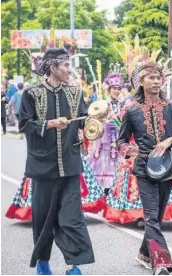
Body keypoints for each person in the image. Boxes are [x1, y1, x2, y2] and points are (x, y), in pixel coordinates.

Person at [117, 59, 172, 275]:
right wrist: (130, 150)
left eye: (157, 77)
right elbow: (121, 140)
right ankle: (160, 262)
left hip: (169, 167)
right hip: (144, 168)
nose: (155, 81)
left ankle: (144, 253)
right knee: (151, 216)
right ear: (141, 82)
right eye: (150, 78)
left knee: (158, 216)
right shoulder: (132, 109)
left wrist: (171, 140)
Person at [19, 48, 94, 275]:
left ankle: (73, 265)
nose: (70, 71)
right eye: (66, 66)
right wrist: (50, 124)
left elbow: (83, 121)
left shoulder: (75, 92)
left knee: (72, 218)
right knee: (42, 219)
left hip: (70, 166)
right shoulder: (31, 94)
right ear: (53, 67)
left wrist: (90, 129)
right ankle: (42, 261)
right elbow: (24, 124)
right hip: (43, 167)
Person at [87, 73, 126, 195]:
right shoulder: (102, 104)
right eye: (114, 88)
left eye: (119, 88)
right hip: (104, 141)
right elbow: (93, 121)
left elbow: (125, 123)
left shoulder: (124, 105)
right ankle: (101, 195)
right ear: (109, 90)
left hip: (118, 140)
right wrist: (103, 120)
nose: (116, 91)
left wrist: (117, 120)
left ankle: (113, 195)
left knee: (117, 167)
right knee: (102, 166)